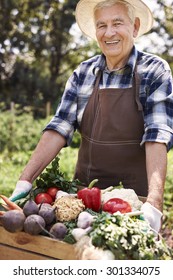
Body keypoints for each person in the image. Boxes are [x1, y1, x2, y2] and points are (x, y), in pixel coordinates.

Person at [10, 0, 173, 233]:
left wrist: (154, 204)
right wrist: (24, 181)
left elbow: (157, 134)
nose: (109, 33)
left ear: (135, 27)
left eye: (117, 23)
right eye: (102, 25)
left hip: (134, 204)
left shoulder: (154, 71)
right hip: (85, 200)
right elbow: (59, 127)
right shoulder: (83, 73)